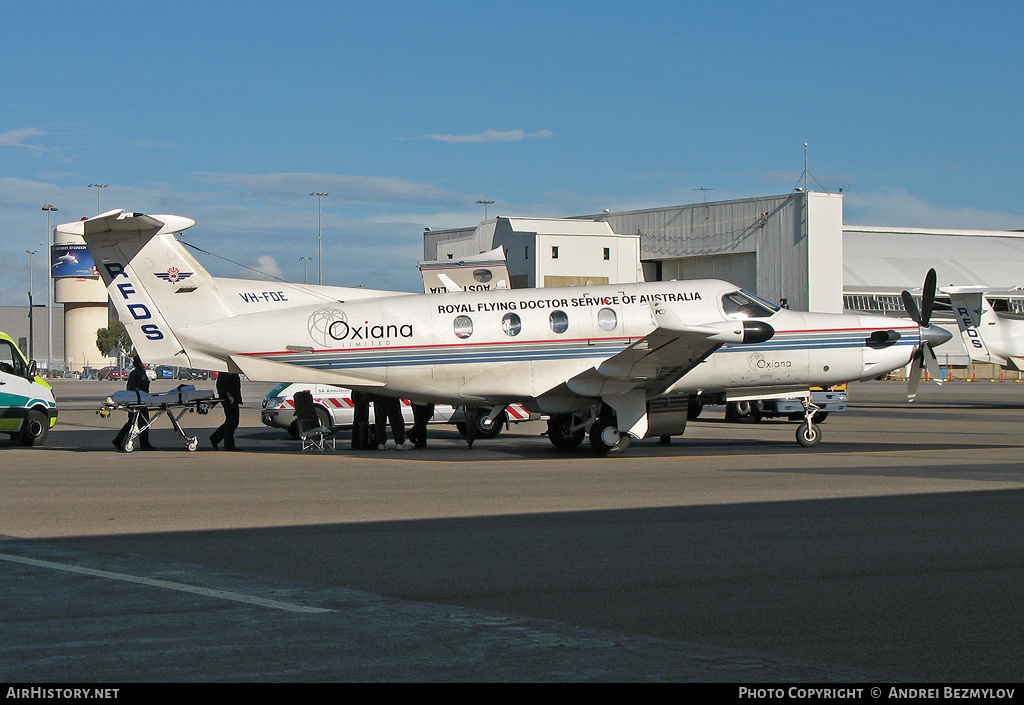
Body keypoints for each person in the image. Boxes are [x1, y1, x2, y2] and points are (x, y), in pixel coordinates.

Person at [113, 354, 154, 451]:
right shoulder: (141, 373)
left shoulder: (133, 373)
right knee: (143, 422)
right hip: (139, 401)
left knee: (131, 422)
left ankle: (119, 439)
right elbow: (142, 387)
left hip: (132, 400)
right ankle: (144, 444)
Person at [210, 372, 242, 451]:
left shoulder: (228, 371)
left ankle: (215, 438)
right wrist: (229, 396)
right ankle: (228, 445)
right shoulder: (227, 372)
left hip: (230, 397)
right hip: (229, 399)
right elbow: (225, 384)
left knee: (231, 421)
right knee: (232, 422)